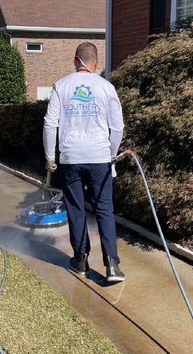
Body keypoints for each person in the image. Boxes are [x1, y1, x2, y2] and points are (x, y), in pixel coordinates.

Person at [43, 42, 125, 283]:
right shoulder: (106, 87)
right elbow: (117, 126)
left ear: (75, 60)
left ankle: (81, 260)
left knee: (77, 210)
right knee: (104, 210)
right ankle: (112, 265)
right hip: (100, 158)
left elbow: (50, 123)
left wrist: (50, 157)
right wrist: (111, 154)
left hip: (70, 158)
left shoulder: (61, 85)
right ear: (96, 64)